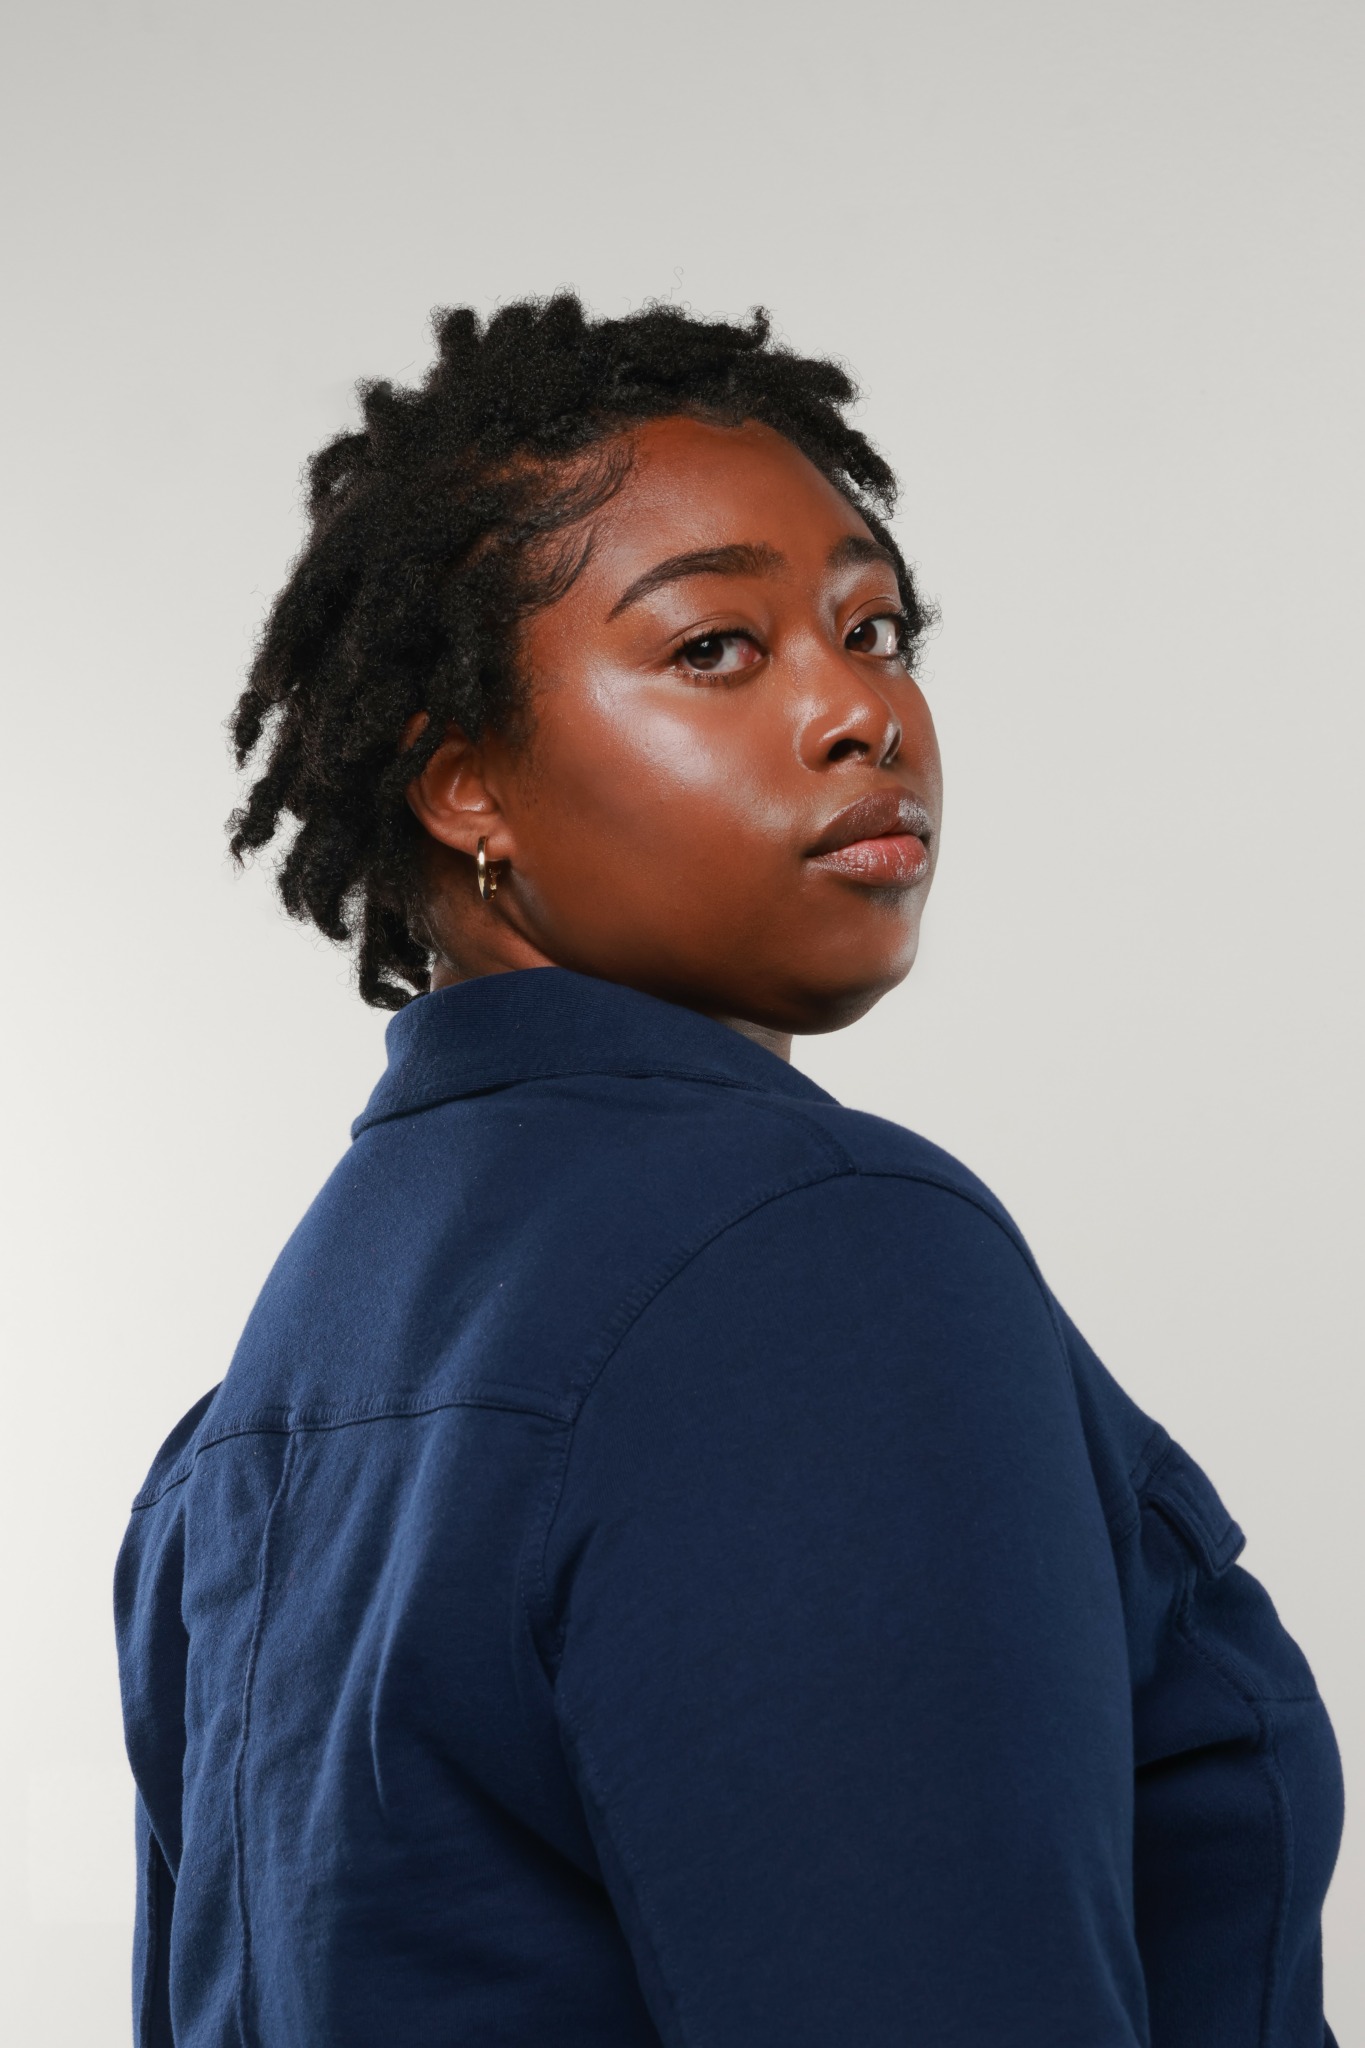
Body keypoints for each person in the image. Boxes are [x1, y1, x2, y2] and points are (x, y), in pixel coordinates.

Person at [114, 296, 1343, 2047]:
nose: (861, 710)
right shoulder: (814, 1268)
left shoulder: (277, 1380)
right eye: (714, 648)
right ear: (464, 784)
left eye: (872, 627)